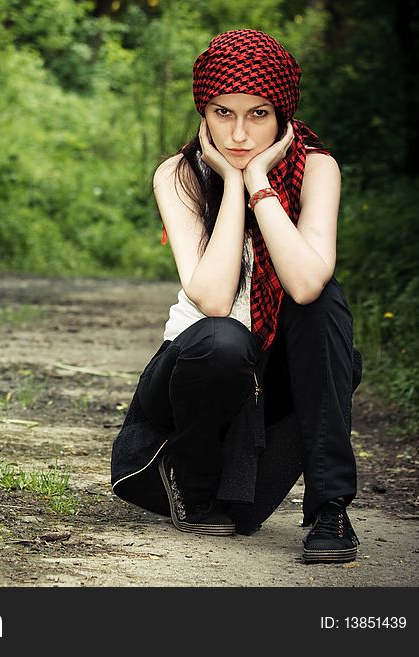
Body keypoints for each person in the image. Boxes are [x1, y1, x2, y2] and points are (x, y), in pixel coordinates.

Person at [109, 29, 363, 564]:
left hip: (268, 380)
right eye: (223, 113)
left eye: (259, 114)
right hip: (192, 371)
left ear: (284, 115)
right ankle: (193, 481)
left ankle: (329, 509)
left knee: (323, 305)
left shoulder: (317, 168)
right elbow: (215, 299)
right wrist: (229, 185)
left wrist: (261, 187)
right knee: (222, 340)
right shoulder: (179, 173)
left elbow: (304, 284)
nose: (240, 134)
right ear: (203, 113)